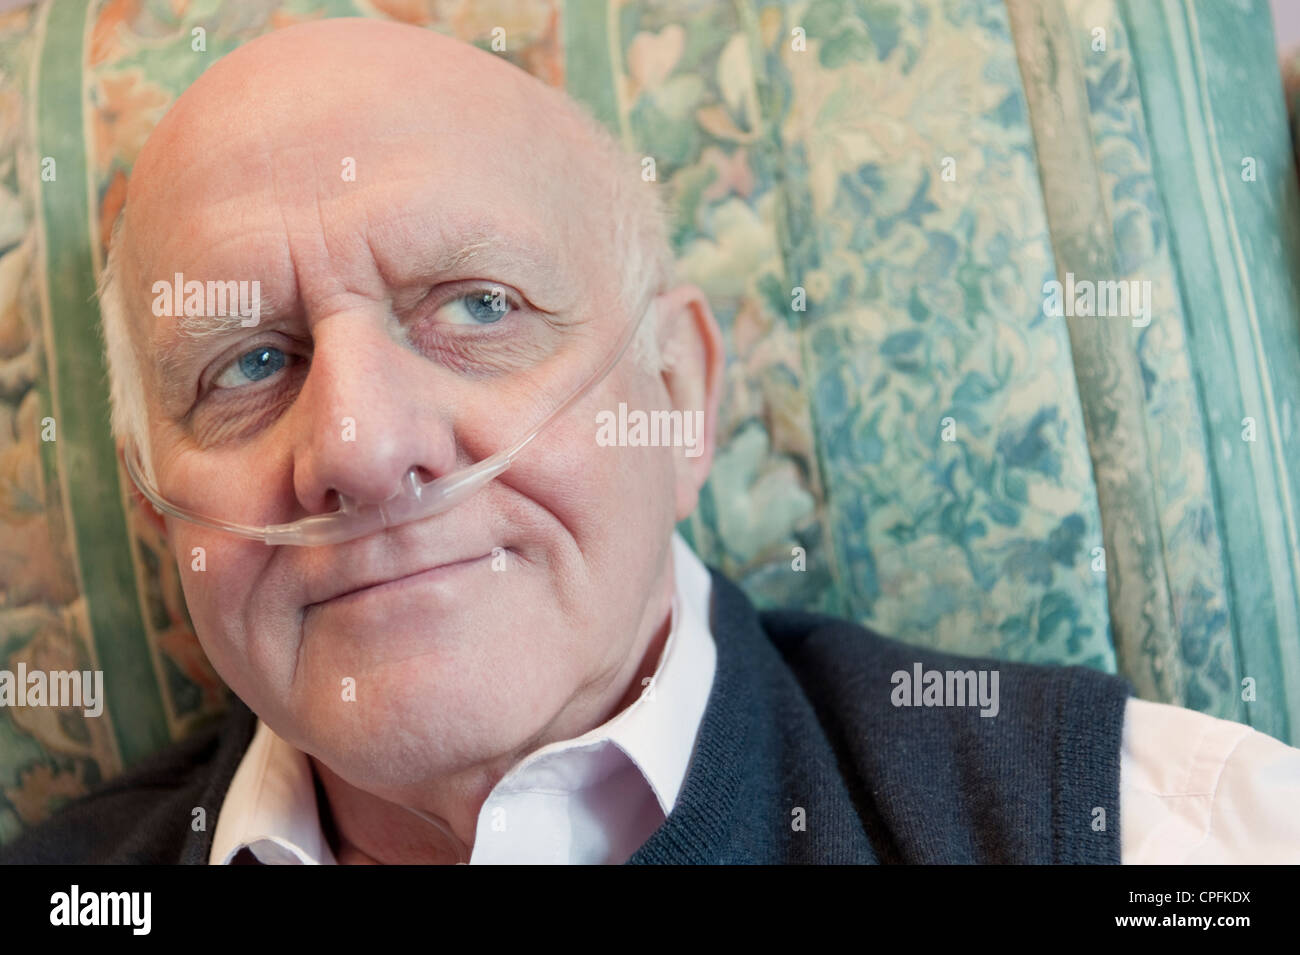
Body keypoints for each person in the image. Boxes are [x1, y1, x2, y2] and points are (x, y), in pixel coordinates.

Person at [3, 18, 1297, 865]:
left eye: (476, 307)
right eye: (249, 364)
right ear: (162, 511)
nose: (356, 442)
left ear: (679, 394)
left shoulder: (1142, 831)